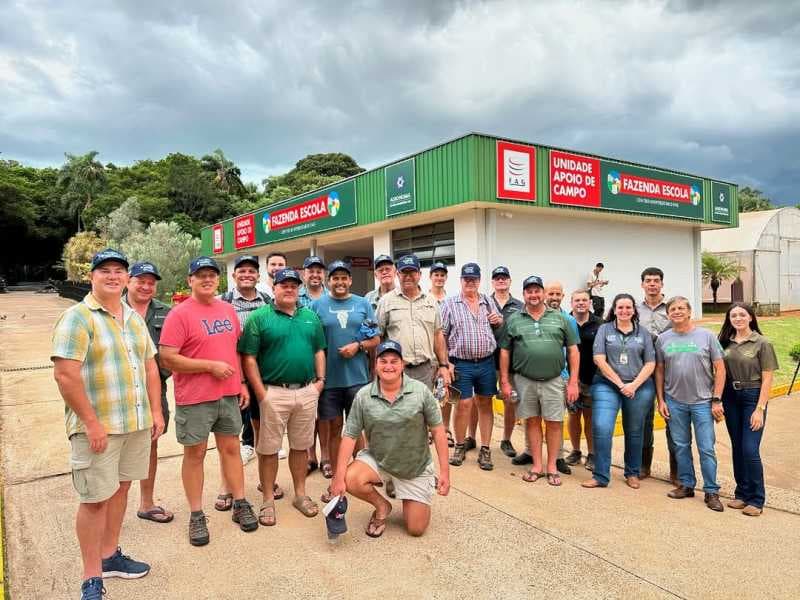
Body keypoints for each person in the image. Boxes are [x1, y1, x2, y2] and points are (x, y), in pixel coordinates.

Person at [52, 249, 164, 599]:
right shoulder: (78, 317)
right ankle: (91, 578)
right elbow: (65, 375)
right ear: (92, 277)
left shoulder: (132, 318)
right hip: (97, 430)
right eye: (105, 271)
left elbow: (150, 367)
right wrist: (91, 423)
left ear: (127, 278)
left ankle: (111, 555)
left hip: (135, 423)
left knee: (121, 490)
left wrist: (156, 412)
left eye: (119, 270)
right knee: (94, 500)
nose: (113, 276)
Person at [159, 256, 258, 546]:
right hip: (195, 398)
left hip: (228, 395)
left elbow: (235, 352)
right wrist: (209, 366)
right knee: (195, 455)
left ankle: (240, 502)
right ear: (190, 280)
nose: (207, 279)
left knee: (231, 449)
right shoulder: (179, 314)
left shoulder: (227, 310)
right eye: (200, 275)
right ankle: (196, 514)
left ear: (218, 280)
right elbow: (167, 358)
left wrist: (240, 382)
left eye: (212, 275)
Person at [330, 340, 450, 538]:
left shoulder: (420, 392)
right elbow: (350, 436)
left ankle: (409, 490)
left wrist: (444, 472)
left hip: (414, 467)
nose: (388, 366)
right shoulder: (364, 395)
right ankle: (382, 505)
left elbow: (438, 431)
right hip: (379, 459)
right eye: (383, 361)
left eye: (394, 361)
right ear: (375, 365)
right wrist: (338, 477)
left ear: (402, 365)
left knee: (416, 529)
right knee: (350, 479)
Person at [239, 267, 327, 526]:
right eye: (283, 285)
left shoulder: (310, 317)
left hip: (307, 390)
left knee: (301, 447)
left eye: (293, 285)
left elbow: (319, 350)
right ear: (274, 288)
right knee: (268, 449)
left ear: (298, 288)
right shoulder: (259, 317)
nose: (289, 289)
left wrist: (320, 383)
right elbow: (249, 357)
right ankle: (267, 499)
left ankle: (300, 494)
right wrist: (261, 393)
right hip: (272, 392)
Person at [217, 255, 283, 509]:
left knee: (262, 432)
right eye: (241, 271)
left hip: (262, 376)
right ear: (234, 276)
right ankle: (227, 485)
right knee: (228, 434)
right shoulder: (222, 303)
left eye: (251, 271)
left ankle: (266, 483)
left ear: (258, 275)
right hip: (231, 376)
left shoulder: (268, 301)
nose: (246, 274)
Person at [499, 275, 579, 487]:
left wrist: (573, 382)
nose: (533, 295)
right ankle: (536, 465)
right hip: (524, 380)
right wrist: (505, 381)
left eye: (537, 291)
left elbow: (573, 351)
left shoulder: (561, 318)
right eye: (529, 291)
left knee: (554, 423)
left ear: (543, 293)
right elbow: (505, 351)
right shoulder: (514, 319)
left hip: (554, 380)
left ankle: (552, 466)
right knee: (532, 422)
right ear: (524, 294)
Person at [312, 260, 380, 498]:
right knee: (333, 425)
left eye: (344, 278)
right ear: (328, 281)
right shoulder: (316, 305)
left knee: (358, 426)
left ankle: (360, 466)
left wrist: (358, 346)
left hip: (357, 378)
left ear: (350, 280)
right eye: (335, 278)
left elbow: (375, 339)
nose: (340, 282)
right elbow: (312, 340)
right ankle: (333, 465)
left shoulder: (363, 304)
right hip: (329, 379)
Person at [656, 296, 726, 512]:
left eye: (681, 308)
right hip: (675, 402)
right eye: (672, 309)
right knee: (681, 445)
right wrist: (661, 400)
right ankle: (686, 485)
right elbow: (659, 370)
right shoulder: (663, 339)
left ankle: (711, 491)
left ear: (689, 312)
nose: (676, 312)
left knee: (706, 448)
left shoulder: (706, 336)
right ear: (668, 314)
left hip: (703, 402)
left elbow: (720, 369)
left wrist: (716, 399)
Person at [583, 294, 655, 489]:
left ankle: (632, 472)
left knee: (634, 430)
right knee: (602, 427)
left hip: (638, 385)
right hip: (607, 384)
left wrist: (633, 385)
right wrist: (620, 384)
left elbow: (650, 363)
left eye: (628, 307)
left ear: (634, 310)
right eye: (620, 307)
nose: (624, 311)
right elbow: (599, 358)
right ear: (614, 310)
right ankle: (600, 476)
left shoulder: (644, 333)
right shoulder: (604, 330)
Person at [123, 261, 174, 524]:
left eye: (151, 282)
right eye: (140, 280)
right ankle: (111, 507)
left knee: (150, 445)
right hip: (119, 392)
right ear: (128, 281)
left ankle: (146, 502)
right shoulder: (113, 309)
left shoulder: (167, 312)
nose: (145, 286)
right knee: (115, 447)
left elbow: (175, 350)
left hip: (156, 389)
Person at [718, 303, 778, 516]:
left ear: (750, 317)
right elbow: (718, 371)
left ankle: (757, 498)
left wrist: (760, 408)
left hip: (753, 396)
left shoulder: (762, 343)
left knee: (750, 448)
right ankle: (742, 493)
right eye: (733, 315)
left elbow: (768, 378)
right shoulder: (724, 342)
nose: (738, 318)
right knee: (737, 446)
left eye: (742, 314)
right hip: (730, 396)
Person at [442, 263, 503, 471]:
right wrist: (446, 362)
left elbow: (498, 322)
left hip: (486, 362)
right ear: (461, 280)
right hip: (461, 363)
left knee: (485, 403)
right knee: (463, 404)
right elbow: (442, 335)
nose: (470, 283)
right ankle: (460, 444)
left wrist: (498, 320)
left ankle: (485, 449)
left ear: (479, 280)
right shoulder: (450, 304)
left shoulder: (487, 301)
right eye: (467, 279)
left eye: (474, 279)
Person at [375, 254, 451, 390]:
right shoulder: (386, 302)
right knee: (397, 410)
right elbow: (378, 337)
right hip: (396, 371)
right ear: (398, 274)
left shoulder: (431, 301)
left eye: (412, 272)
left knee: (424, 410)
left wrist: (444, 366)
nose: (408, 276)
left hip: (426, 371)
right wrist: (379, 368)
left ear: (420, 274)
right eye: (404, 272)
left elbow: (438, 334)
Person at [637, 267, 675, 481]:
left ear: (662, 284)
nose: (652, 284)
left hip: (669, 370)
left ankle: (676, 470)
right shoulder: (634, 309)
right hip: (642, 371)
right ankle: (643, 465)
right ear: (642, 284)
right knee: (644, 419)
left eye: (656, 280)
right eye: (648, 280)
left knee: (672, 418)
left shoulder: (672, 308)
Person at [565, 289, 602, 471]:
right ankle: (575, 450)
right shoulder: (565, 321)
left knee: (590, 417)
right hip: (570, 379)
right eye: (577, 300)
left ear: (590, 303)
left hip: (592, 378)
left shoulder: (599, 324)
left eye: (584, 300)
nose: (580, 303)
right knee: (573, 415)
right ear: (571, 302)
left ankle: (592, 453)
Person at [489, 266, 524, 458]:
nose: (501, 281)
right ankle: (474, 438)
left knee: (510, 401)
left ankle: (506, 439)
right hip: (487, 360)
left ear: (510, 281)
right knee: (482, 401)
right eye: (497, 278)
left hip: (511, 363)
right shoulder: (484, 302)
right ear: (492, 282)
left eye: (504, 278)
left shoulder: (519, 306)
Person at [429, 261, 453, 446]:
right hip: (428, 354)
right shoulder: (425, 298)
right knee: (428, 393)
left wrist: (446, 360)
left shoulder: (450, 300)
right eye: (436, 274)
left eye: (442, 275)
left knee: (445, 392)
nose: (439, 278)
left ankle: (445, 429)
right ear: (430, 277)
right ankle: (430, 429)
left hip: (446, 354)